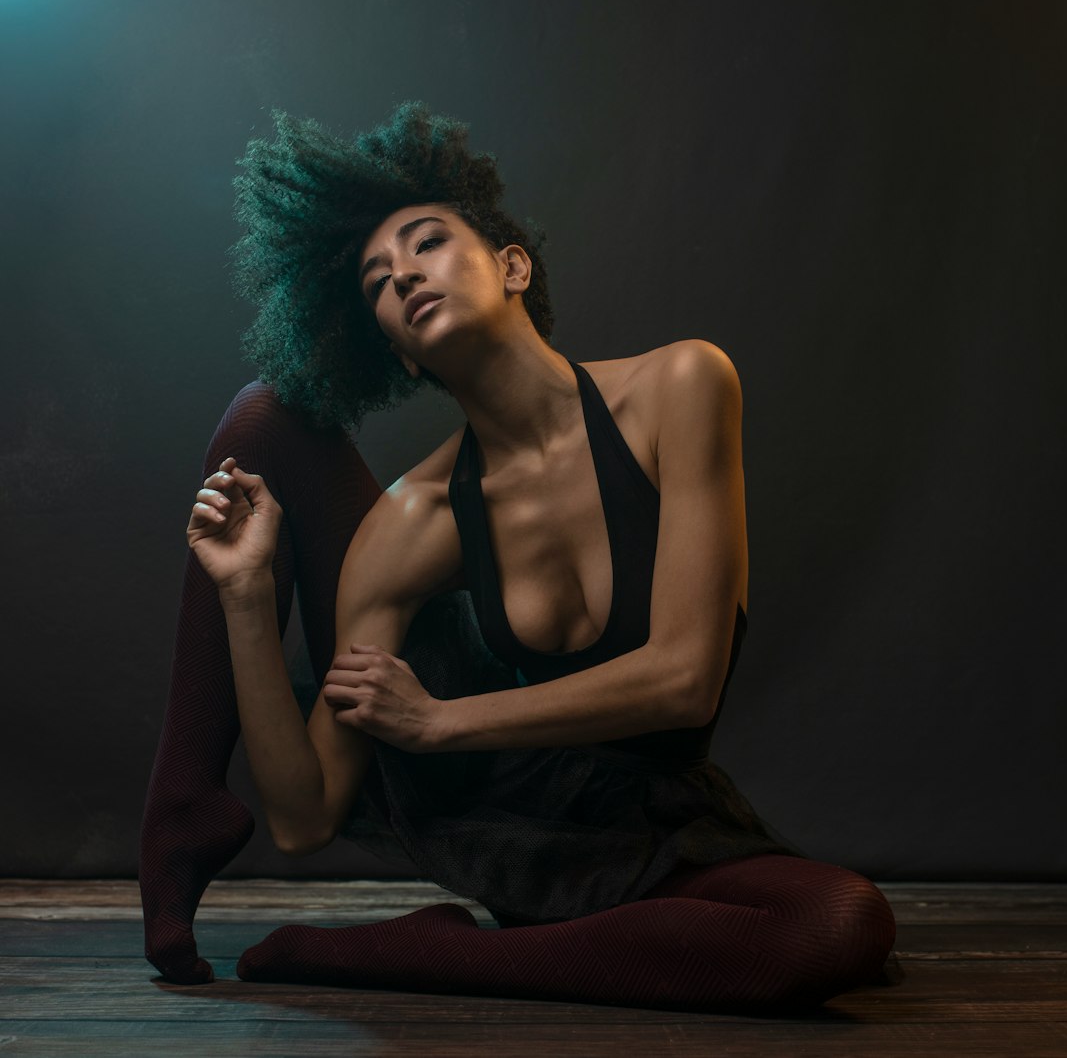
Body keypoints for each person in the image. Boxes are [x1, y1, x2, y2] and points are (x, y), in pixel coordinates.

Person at [139, 104, 896, 1012]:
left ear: (511, 265)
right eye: (379, 280)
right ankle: (184, 801)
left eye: (426, 243)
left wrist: (440, 721)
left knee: (838, 924)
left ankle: (414, 955)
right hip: (506, 823)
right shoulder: (413, 520)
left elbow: (687, 679)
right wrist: (249, 599)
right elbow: (304, 818)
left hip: (661, 820)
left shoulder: (681, 386)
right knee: (264, 416)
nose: (405, 274)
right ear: (397, 354)